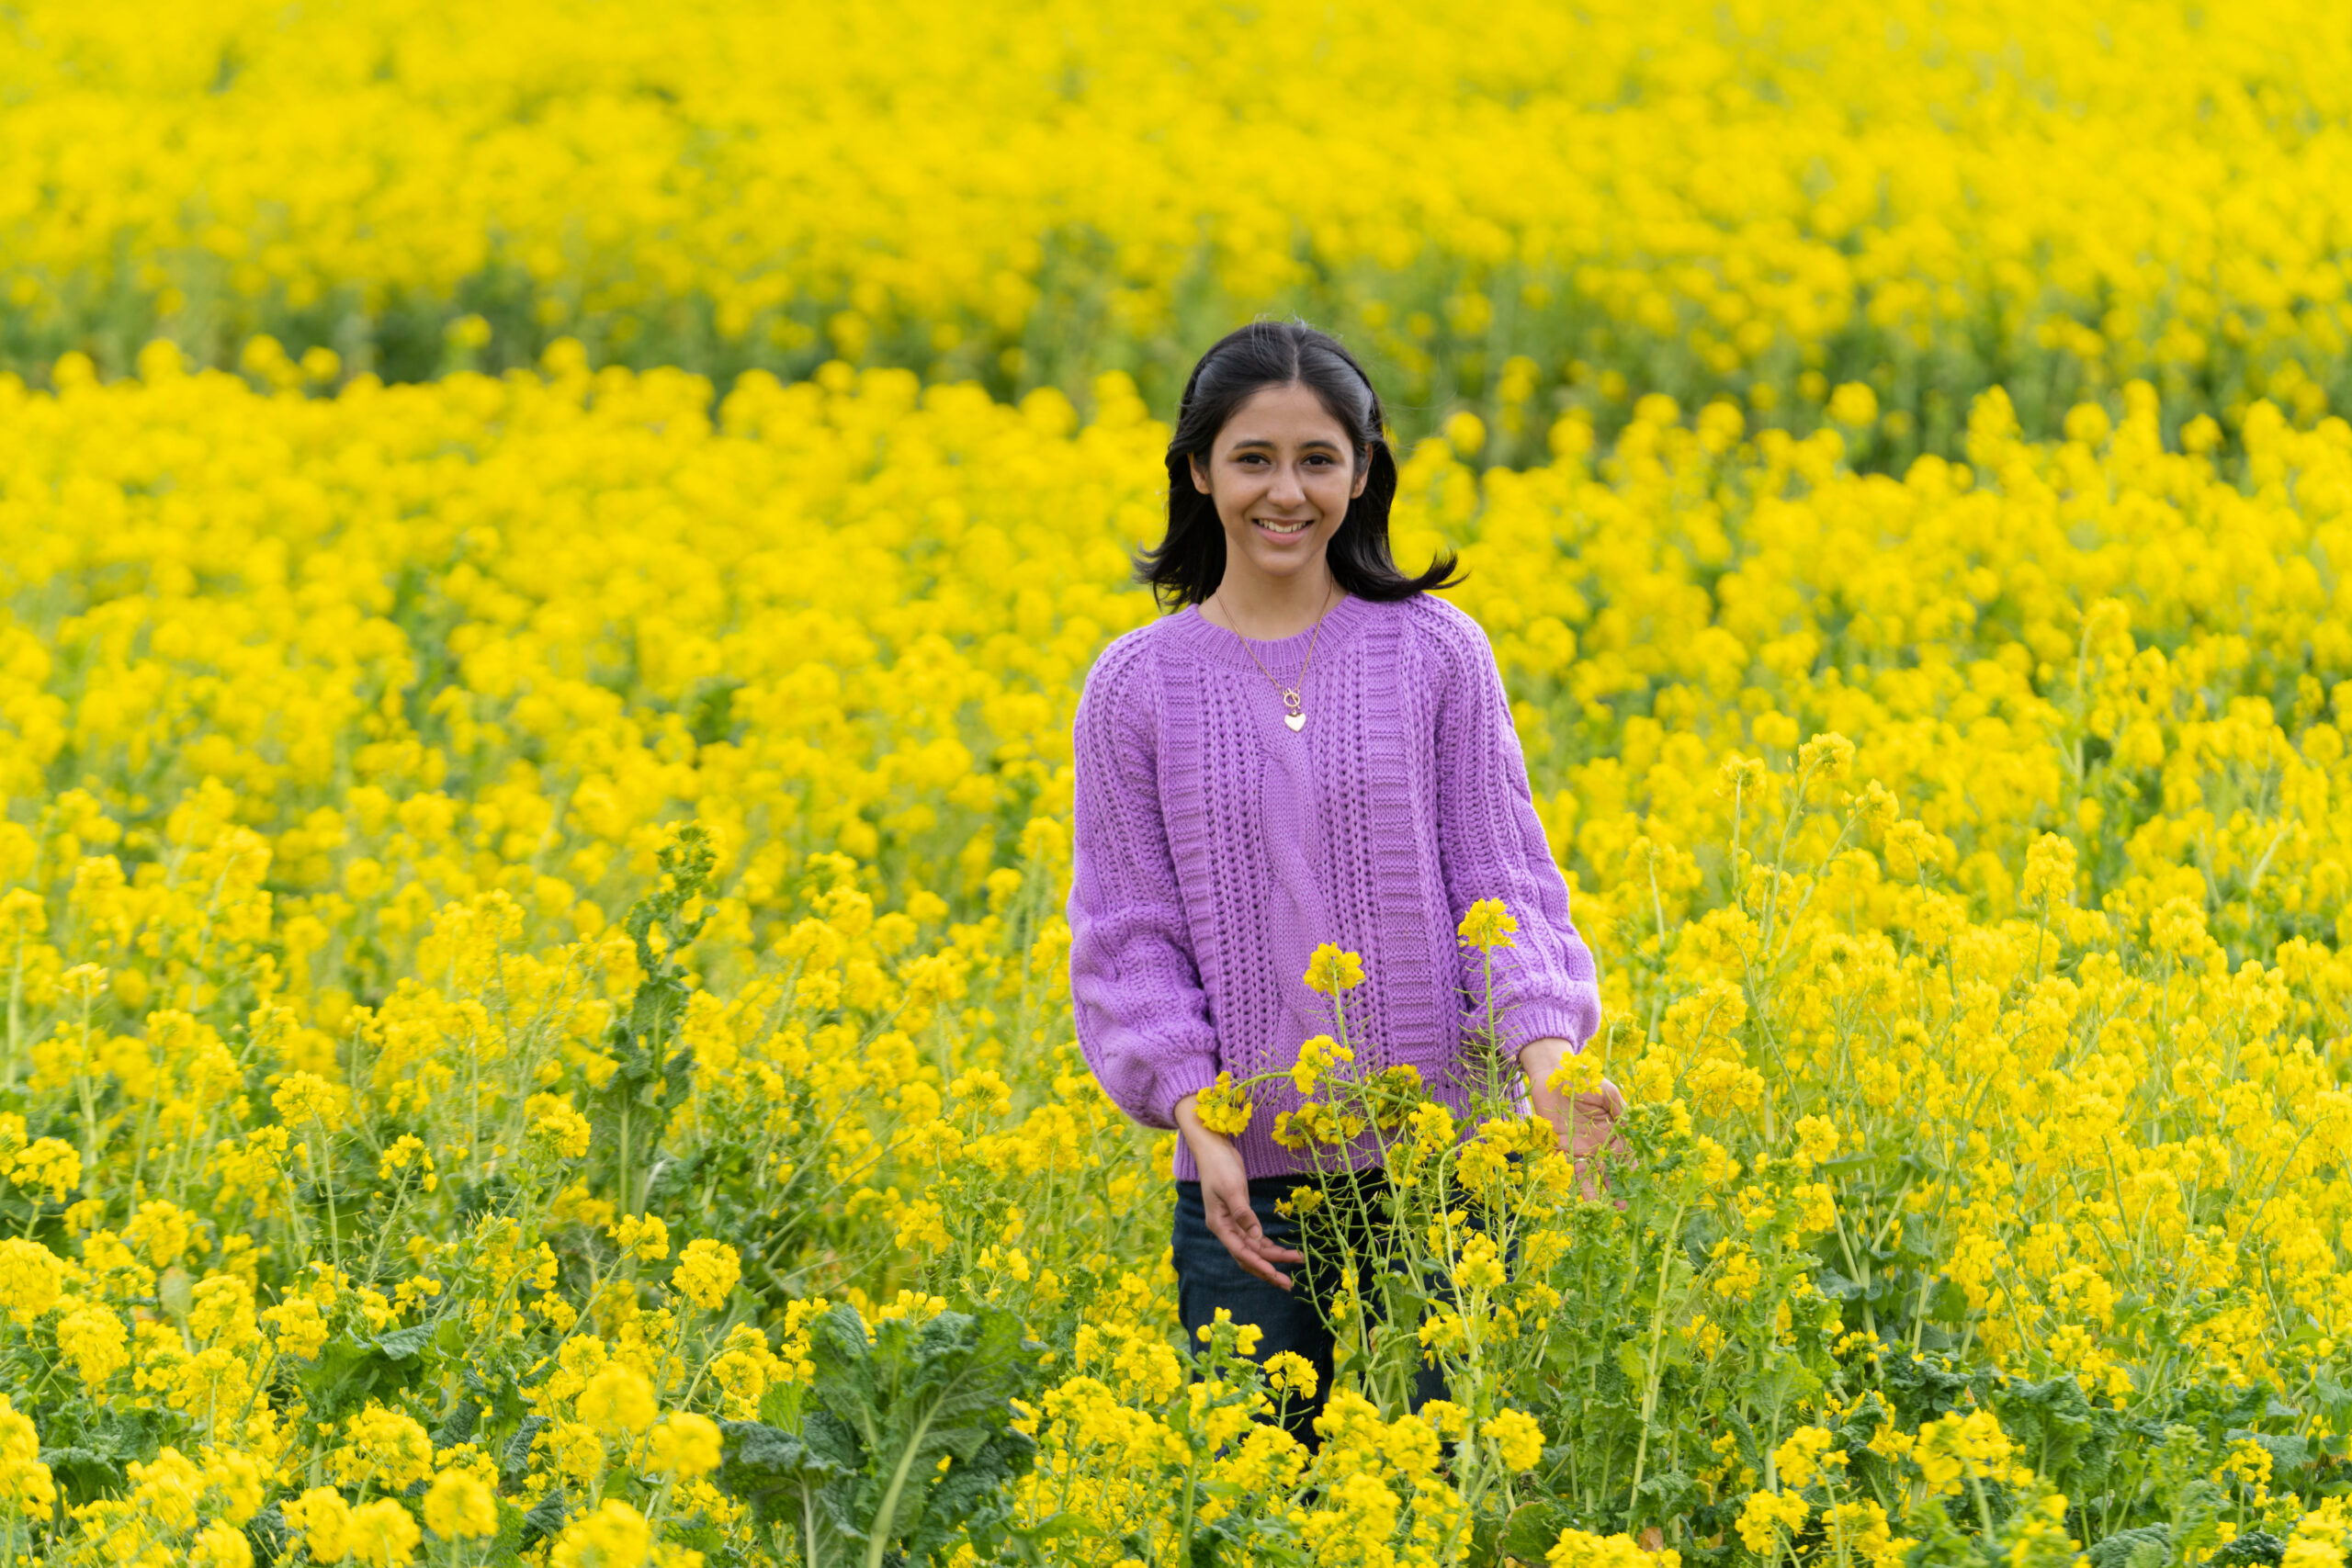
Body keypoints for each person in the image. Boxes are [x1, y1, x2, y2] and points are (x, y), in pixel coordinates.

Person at [1066, 319, 1617, 1442]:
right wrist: (1195, 1120)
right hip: (1247, 1200)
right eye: (1252, 459)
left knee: (1456, 1493)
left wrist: (1548, 1066)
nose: (1286, 493)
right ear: (1197, 471)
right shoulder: (1135, 687)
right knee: (1262, 1505)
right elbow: (1130, 938)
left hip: (1448, 1176)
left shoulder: (1435, 651)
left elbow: (1497, 881)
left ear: (1363, 472)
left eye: (1317, 459)